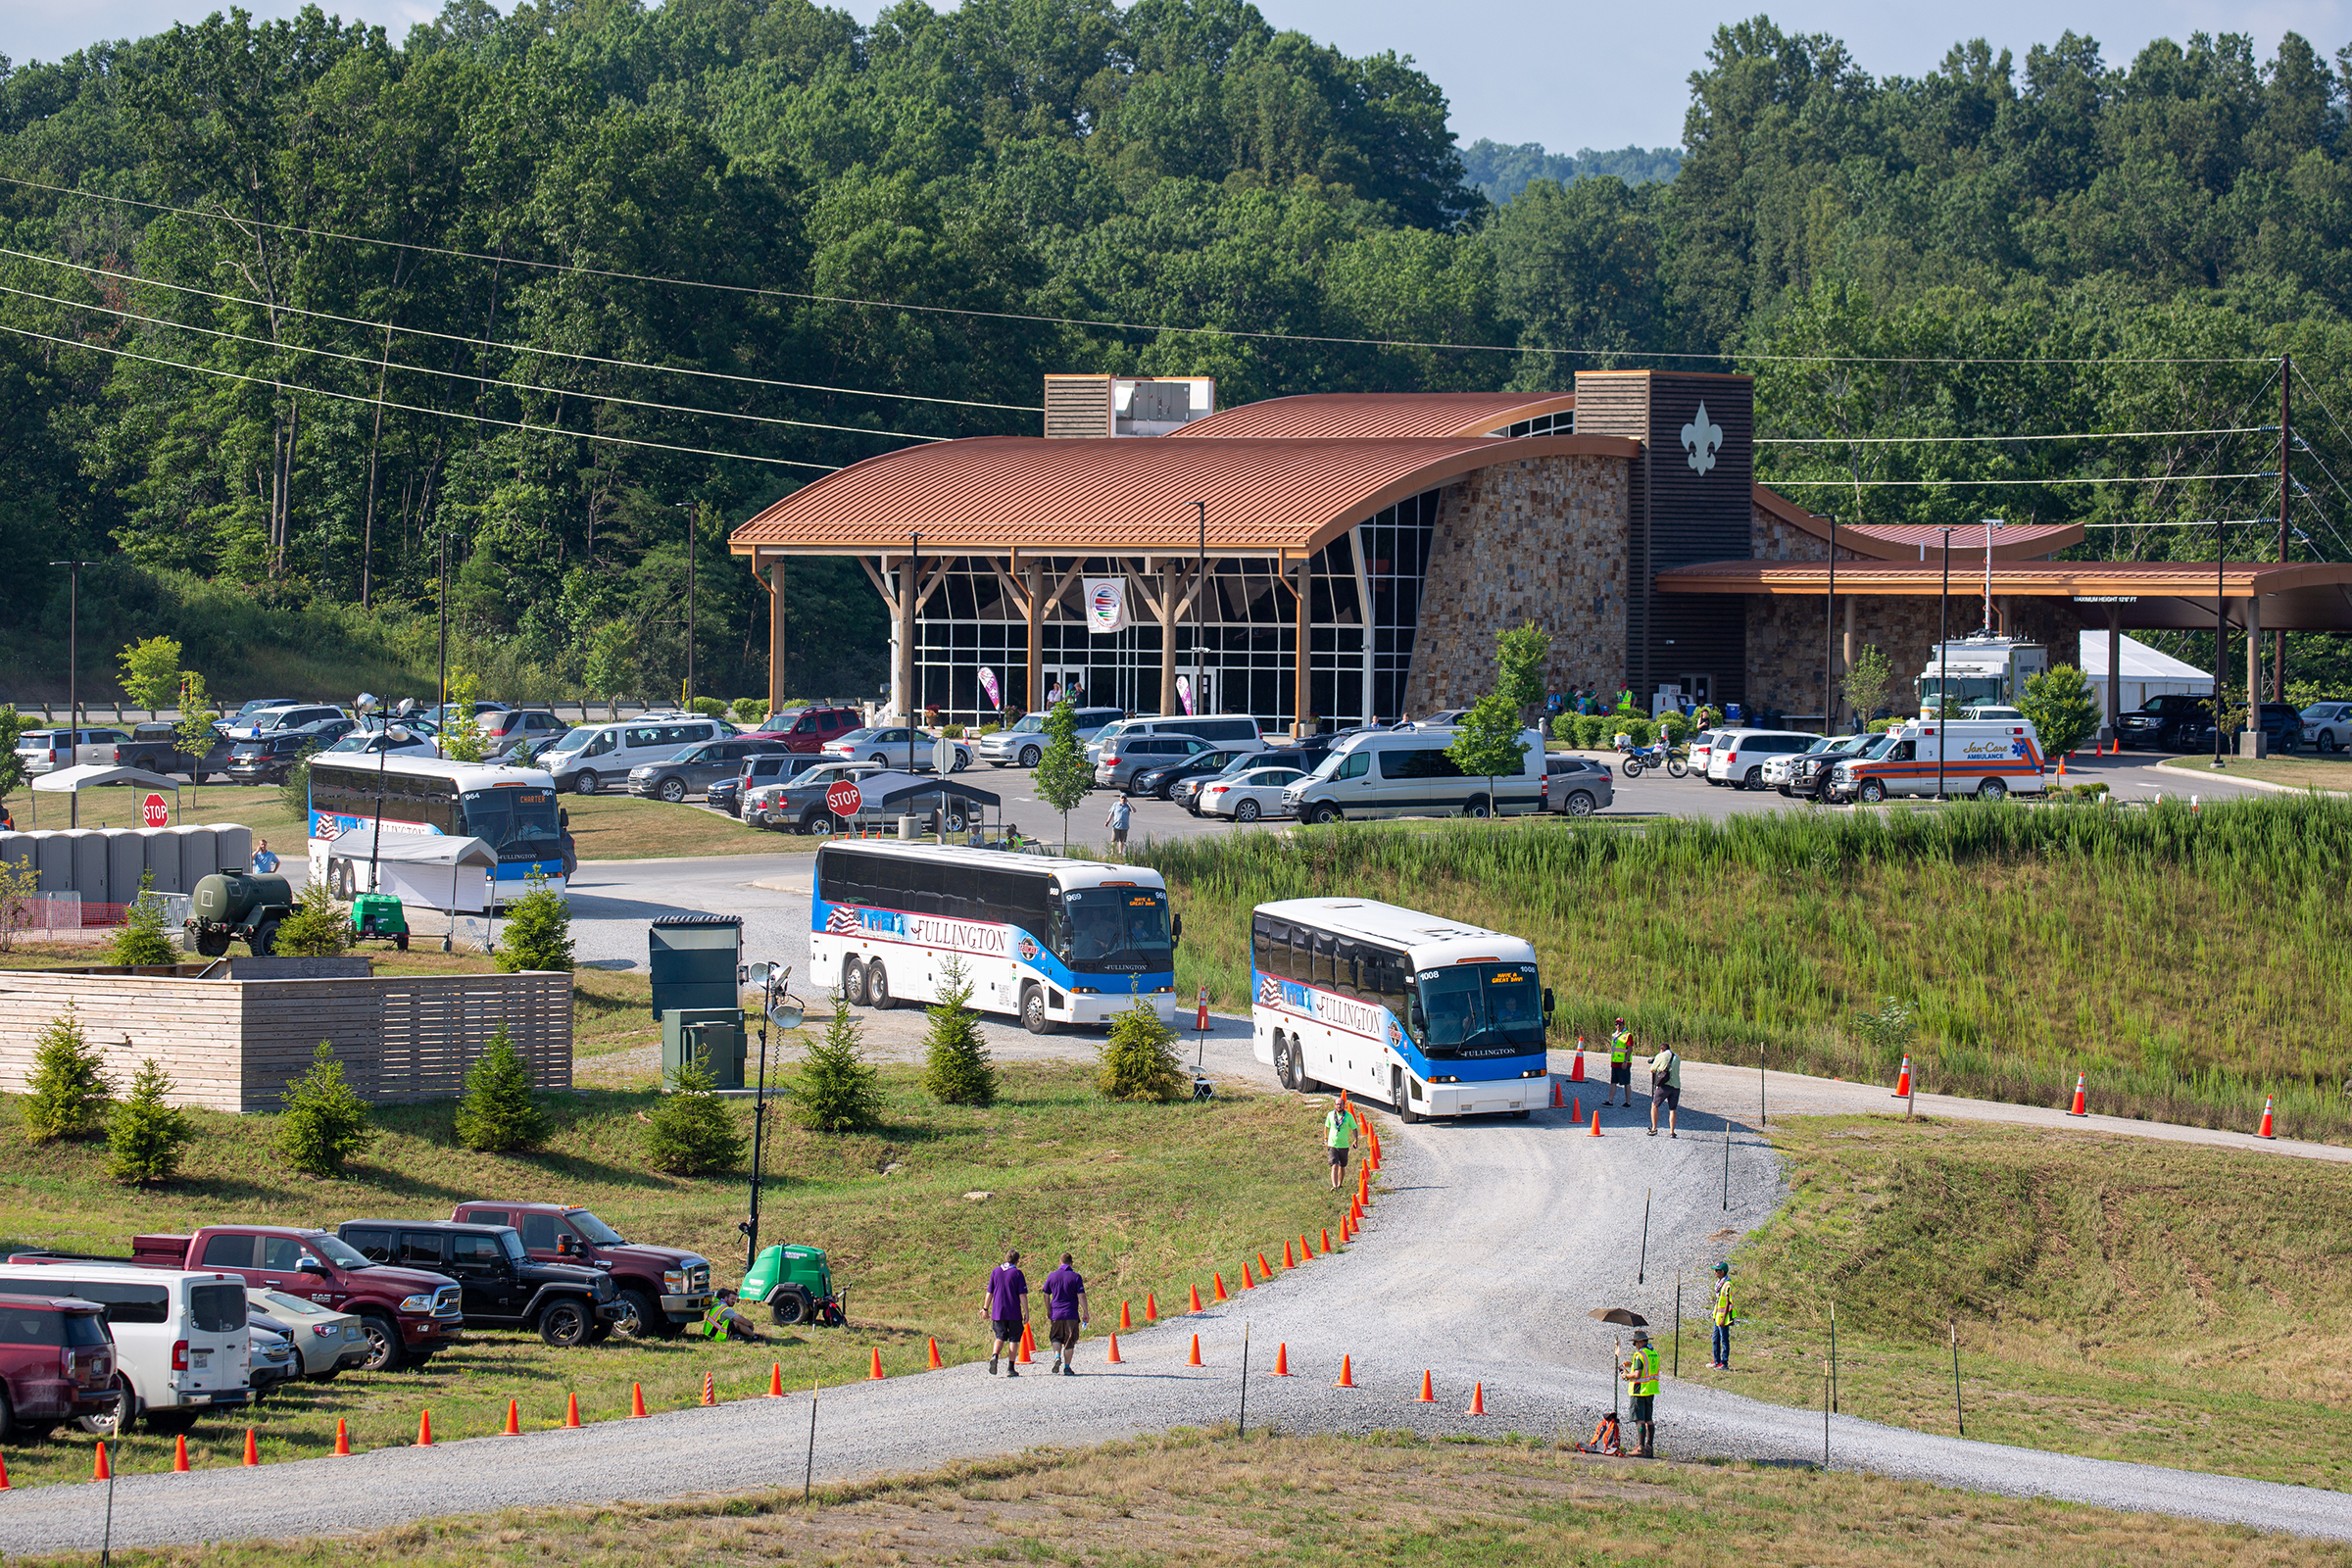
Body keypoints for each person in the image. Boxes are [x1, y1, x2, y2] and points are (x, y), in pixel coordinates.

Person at [983, 1250, 1029, 1376]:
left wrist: (985, 1308)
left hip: (998, 1311)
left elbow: (990, 1292)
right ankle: (1010, 1367)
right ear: (1017, 1261)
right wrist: (1026, 1312)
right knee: (1014, 1339)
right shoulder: (1018, 1273)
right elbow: (1022, 1295)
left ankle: (995, 1356)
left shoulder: (996, 1271)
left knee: (999, 1336)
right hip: (1013, 1311)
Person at [1042, 1252, 1089, 1376]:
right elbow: (1081, 1295)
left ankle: (1057, 1355)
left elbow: (1046, 1294)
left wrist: (1048, 1309)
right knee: (1069, 1341)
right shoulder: (1076, 1277)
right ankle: (1067, 1367)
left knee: (1056, 1337)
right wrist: (1085, 1311)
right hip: (1071, 1314)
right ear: (1071, 1263)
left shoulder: (1052, 1276)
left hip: (1056, 1313)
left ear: (1059, 1263)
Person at [1620, 1330, 1659, 1457]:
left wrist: (1626, 1376)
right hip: (1651, 1389)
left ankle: (1640, 1447)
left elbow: (1637, 1374)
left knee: (1639, 1419)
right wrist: (1631, 1365)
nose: (1635, 1346)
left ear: (1639, 1342)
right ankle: (1649, 1447)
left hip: (1639, 1390)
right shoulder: (1653, 1353)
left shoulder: (1639, 1355)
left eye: (1635, 1343)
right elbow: (1647, 1368)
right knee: (1649, 1420)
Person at [695, 1289, 763, 1343]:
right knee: (737, 1323)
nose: (733, 1301)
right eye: (732, 1299)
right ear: (725, 1298)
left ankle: (745, 1335)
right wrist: (750, 1324)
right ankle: (754, 1337)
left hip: (708, 1332)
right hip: (717, 1335)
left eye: (735, 1299)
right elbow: (741, 1320)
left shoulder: (717, 1303)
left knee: (734, 1322)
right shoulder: (725, 1309)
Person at [1648, 1043, 1682, 1138]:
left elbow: (1652, 1069)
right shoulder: (1677, 1058)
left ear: (1661, 1050)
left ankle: (1654, 1128)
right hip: (1676, 1086)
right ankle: (1672, 1131)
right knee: (1672, 1109)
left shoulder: (1660, 1056)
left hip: (1664, 1086)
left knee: (1655, 1105)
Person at [1324, 1101, 1355, 1191]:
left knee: (1342, 1165)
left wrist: (1355, 1140)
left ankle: (1340, 1184)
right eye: (1337, 1104)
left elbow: (1354, 1128)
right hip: (1332, 1144)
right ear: (1334, 1105)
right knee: (1334, 1164)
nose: (1339, 1106)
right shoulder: (1330, 1115)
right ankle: (1334, 1186)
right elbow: (1326, 1127)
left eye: (1341, 1104)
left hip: (1344, 1145)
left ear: (1344, 1105)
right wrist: (1325, 1139)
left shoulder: (1349, 1116)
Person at [1709, 1261, 1735, 1370]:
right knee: (1715, 1339)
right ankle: (1716, 1361)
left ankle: (1724, 1363)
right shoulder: (1720, 1284)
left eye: (1717, 1270)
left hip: (1723, 1318)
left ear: (1722, 1272)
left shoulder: (1727, 1284)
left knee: (1724, 1340)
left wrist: (1724, 1318)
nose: (1715, 1272)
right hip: (1717, 1316)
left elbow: (1728, 1302)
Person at [1604, 1018, 1633, 1107]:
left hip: (1623, 1062)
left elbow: (1630, 1049)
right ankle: (1610, 1101)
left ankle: (1627, 1102)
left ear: (1623, 1025)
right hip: (1615, 1062)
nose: (1618, 1026)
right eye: (1616, 1024)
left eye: (1620, 1024)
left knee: (1626, 1082)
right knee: (1613, 1082)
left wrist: (1625, 1061)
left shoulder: (1628, 1035)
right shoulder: (1615, 1035)